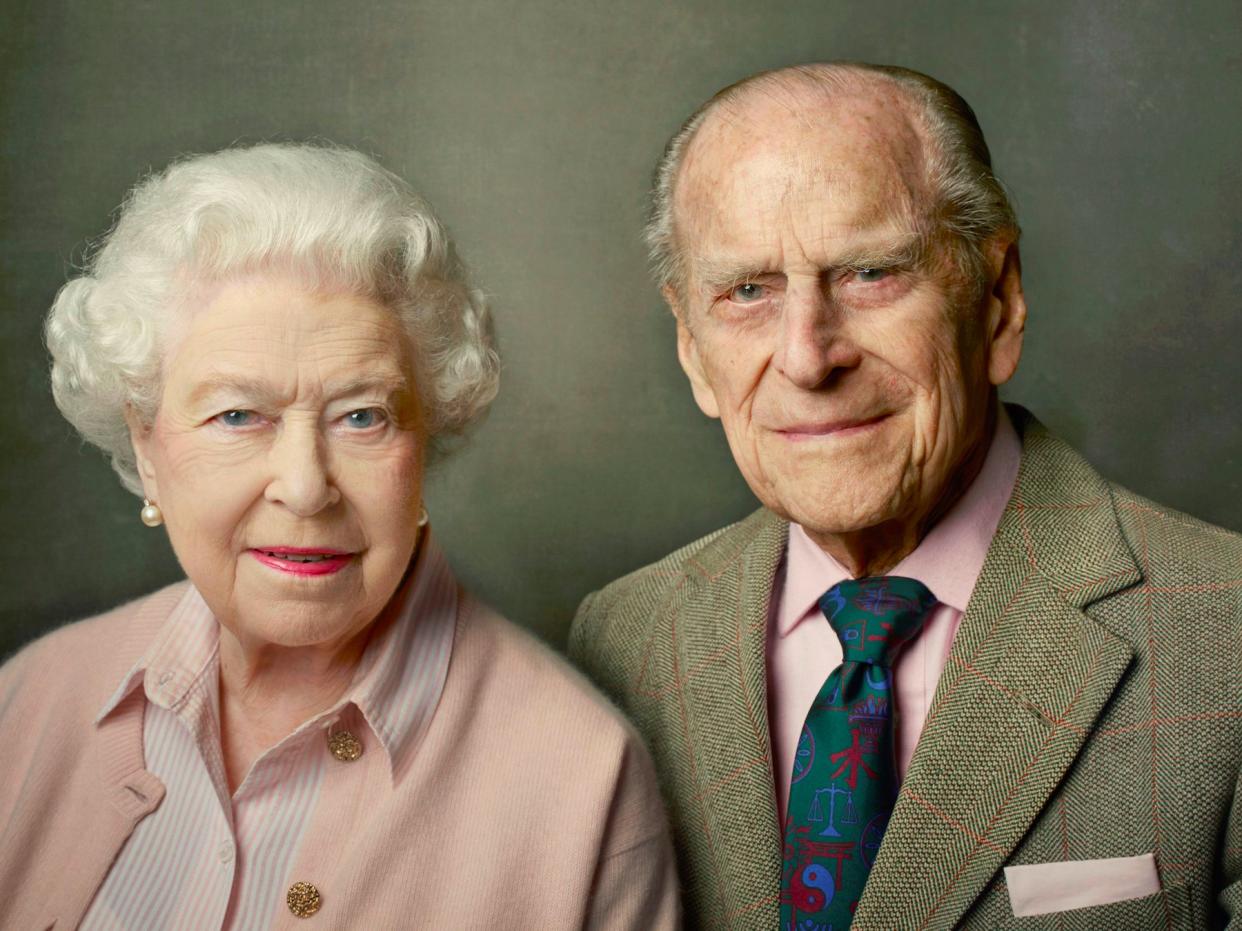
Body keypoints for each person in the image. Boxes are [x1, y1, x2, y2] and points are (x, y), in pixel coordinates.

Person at [569, 62, 1240, 930]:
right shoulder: (619, 643)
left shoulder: (1225, 633)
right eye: (747, 291)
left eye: (871, 273)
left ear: (997, 302)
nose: (809, 358)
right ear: (693, 350)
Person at [0, 143, 679, 929]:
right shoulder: (31, 700)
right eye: (237, 415)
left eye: (362, 416)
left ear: (426, 442)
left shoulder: (583, 783)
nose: (305, 484)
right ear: (148, 448)